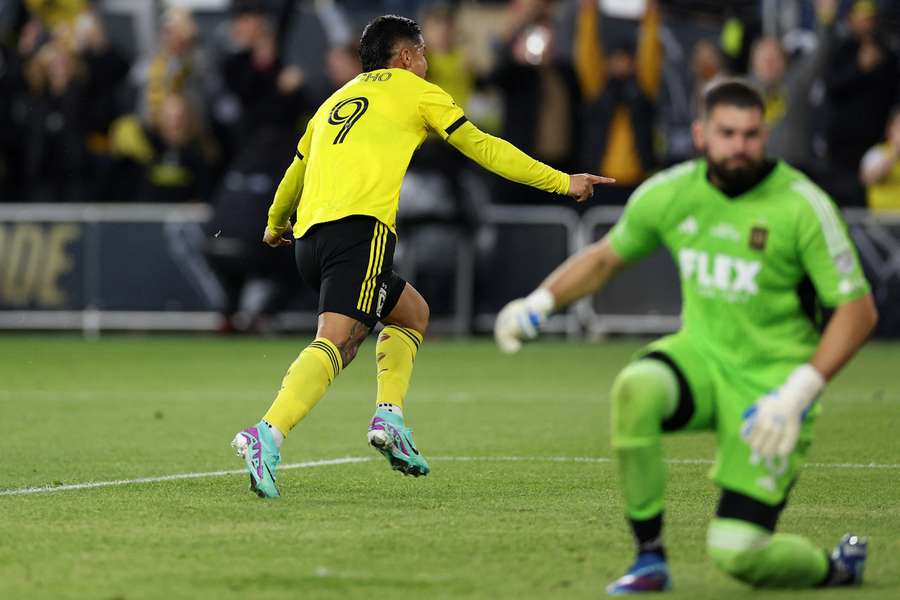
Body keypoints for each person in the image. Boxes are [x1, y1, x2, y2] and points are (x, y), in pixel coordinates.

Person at [494, 79, 877, 593]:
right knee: (636, 389)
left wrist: (799, 392)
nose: (739, 146)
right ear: (701, 134)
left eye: (750, 134)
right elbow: (606, 257)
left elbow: (857, 311)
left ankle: (836, 568)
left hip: (773, 387)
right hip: (701, 359)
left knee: (740, 553)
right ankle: (649, 558)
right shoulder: (673, 192)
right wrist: (538, 303)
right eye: (727, 133)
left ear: (764, 134)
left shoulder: (804, 206)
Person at [231, 14, 612, 498]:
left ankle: (389, 418)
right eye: (424, 53)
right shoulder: (416, 90)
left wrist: (273, 224)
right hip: (360, 231)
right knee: (337, 341)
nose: (428, 63)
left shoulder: (334, 101)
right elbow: (486, 148)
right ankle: (266, 433)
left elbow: (296, 170)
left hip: (308, 238)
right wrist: (563, 180)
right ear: (406, 56)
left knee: (411, 313)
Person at [860, 105, 900, 212]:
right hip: (881, 223)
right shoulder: (877, 153)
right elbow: (869, 178)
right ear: (889, 130)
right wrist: (895, 151)